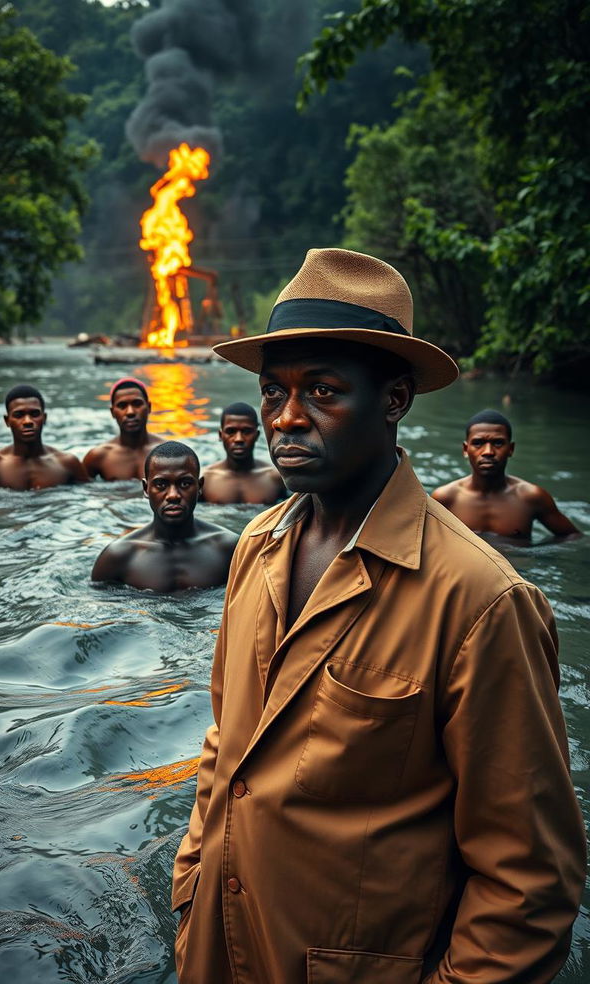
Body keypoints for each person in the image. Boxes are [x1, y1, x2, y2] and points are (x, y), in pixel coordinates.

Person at [172, 248, 585, 984]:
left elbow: (529, 884)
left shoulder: (480, 600)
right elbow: (224, 744)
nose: (287, 419)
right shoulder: (255, 552)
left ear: (394, 400)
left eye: (323, 391)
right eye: (274, 392)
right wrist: (189, 891)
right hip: (217, 947)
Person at [91, 441, 237, 592]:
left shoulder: (229, 549)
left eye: (185, 484)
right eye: (161, 484)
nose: (173, 495)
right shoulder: (118, 556)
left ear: (199, 487)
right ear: (146, 489)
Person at [432, 409, 581, 540]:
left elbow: (572, 536)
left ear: (511, 449)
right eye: (478, 443)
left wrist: (538, 553)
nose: (488, 451)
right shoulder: (446, 498)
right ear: (466, 449)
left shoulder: (531, 497)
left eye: (498, 443)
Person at [0, 384, 88, 495]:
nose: (27, 421)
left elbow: (91, 497)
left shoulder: (67, 463)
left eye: (34, 414)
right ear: (7, 421)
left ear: (44, 418)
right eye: (19, 415)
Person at [201, 402, 285, 505]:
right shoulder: (205, 480)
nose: (238, 439)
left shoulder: (276, 478)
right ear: (220, 435)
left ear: (257, 435)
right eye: (231, 431)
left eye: (246, 431)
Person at [83, 377, 162, 480]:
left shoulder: (166, 452)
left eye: (137, 404)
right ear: (112, 412)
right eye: (122, 406)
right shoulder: (98, 456)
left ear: (149, 407)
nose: (130, 412)